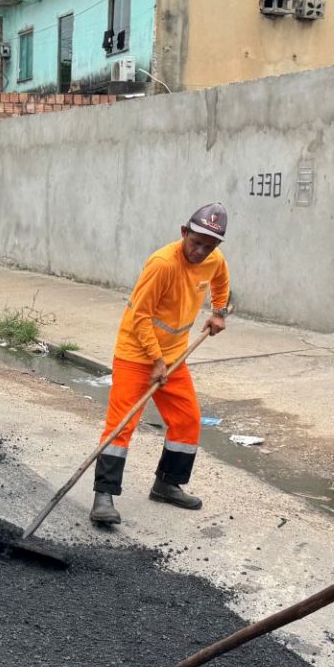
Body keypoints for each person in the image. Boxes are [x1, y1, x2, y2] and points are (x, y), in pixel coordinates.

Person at [90, 203, 230, 526]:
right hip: (136, 354)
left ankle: (167, 483)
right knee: (122, 424)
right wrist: (155, 360)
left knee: (187, 419)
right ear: (184, 232)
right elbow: (140, 316)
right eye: (195, 242)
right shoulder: (162, 264)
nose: (199, 251)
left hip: (173, 356)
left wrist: (219, 312)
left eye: (207, 247)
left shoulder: (214, 260)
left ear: (216, 247)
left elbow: (221, 279)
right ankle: (103, 496)